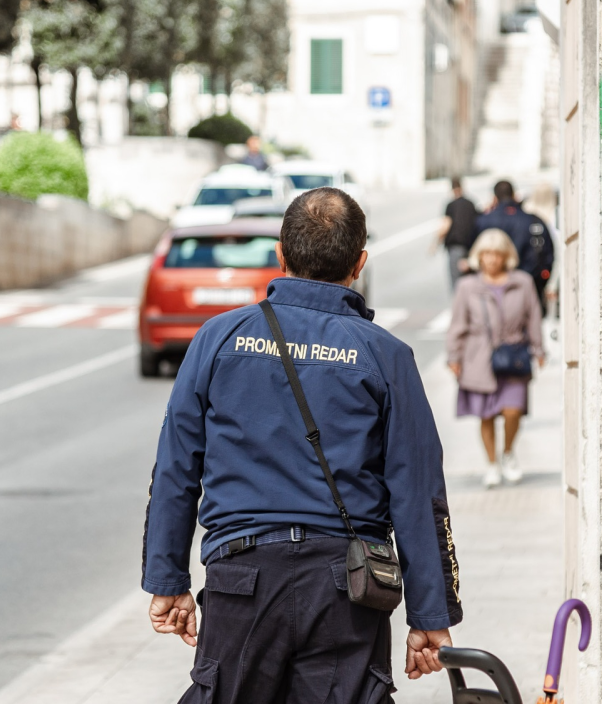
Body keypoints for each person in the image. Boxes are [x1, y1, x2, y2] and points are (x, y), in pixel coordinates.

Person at [143, 187, 462, 703]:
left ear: (281, 255)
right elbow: (417, 488)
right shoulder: (386, 354)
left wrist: (167, 579)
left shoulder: (219, 337)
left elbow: (176, 468)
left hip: (240, 581)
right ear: (359, 264)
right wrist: (430, 615)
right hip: (346, 588)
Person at [446, 228, 545, 488]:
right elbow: (458, 324)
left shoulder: (522, 281)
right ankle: (491, 464)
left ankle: (508, 453)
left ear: (506, 256)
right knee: (486, 415)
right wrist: (453, 356)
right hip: (478, 357)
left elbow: (533, 317)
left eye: (497, 254)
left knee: (513, 411)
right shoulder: (467, 286)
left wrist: (539, 349)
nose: (491, 259)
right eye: (487, 253)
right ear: (479, 256)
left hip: (514, 355)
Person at [476, 180, 555, 316]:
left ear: (494, 198)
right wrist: (539, 281)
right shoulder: (534, 221)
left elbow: (473, 254)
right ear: (514, 195)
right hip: (530, 286)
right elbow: (548, 255)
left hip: (492, 292)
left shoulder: (483, 221)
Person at [433, 177, 479, 291]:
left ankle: (460, 306)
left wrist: (435, 244)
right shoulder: (471, 203)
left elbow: (446, 225)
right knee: (470, 280)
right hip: (471, 247)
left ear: (452, 189)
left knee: (457, 282)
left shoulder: (451, 205)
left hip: (456, 247)